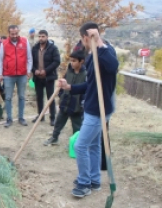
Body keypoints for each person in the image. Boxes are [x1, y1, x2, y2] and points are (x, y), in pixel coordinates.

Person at [58, 22, 118, 198]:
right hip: (92, 104)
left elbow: (113, 67)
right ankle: (94, 180)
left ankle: (84, 183)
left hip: (99, 108)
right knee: (93, 144)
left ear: (86, 37)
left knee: (80, 145)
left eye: (82, 39)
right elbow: (91, 84)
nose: (82, 42)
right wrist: (70, 87)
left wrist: (98, 41)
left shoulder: (105, 50)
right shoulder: (91, 54)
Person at [43, 50, 87, 146]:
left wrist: (82, 103)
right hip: (65, 100)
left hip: (77, 105)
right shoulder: (69, 71)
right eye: (71, 60)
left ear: (81, 61)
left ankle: (77, 143)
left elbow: (86, 90)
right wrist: (61, 94)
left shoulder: (86, 74)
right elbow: (64, 83)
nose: (72, 63)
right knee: (59, 121)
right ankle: (54, 138)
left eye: (74, 61)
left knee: (77, 126)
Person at [0, 25, 33, 128]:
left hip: (22, 74)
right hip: (8, 75)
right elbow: (0, 60)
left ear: (18, 32)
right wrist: (0, 74)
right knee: (8, 97)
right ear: (9, 33)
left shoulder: (25, 42)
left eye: (16, 33)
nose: (14, 35)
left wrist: (29, 71)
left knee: (21, 97)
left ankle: (21, 118)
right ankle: (9, 118)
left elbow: (29, 58)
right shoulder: (4, 44)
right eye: (12, 34)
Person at [31, 30, 61, 126]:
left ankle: (52, 118)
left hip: (49, 77)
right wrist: (34, 70)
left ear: (47, 37)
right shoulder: (35, 48)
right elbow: (30, 61)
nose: (41, 38)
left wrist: (46, 70)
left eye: (43, 36)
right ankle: (40, 116)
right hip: (37, 77)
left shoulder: (53, 48)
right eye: (39, 36)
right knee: (39, 97)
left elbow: (56, 61)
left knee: (50, 98)